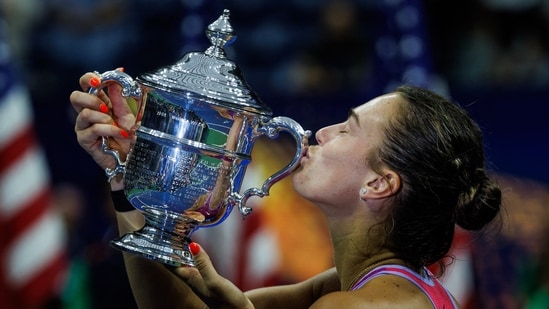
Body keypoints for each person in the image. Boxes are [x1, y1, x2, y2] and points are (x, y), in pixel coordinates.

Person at [70, 71, 502, 308]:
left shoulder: (359, 306)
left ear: (378, 183)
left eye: (347, 129)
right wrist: (128, 173)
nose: (323, 132)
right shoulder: (352, 286)